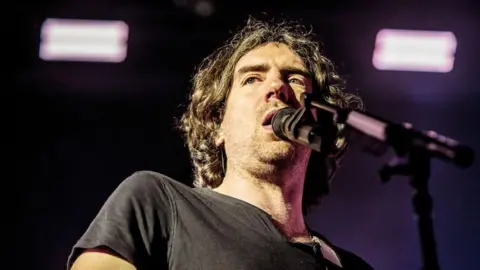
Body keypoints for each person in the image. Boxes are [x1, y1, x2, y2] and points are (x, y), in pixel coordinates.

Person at [67, 16, 372, 270]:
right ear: (218, 125)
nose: (277, 87)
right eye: (252, 79)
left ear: (317, 120)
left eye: (295, 79)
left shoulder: (350, 266)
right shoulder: (157, 202)